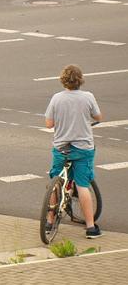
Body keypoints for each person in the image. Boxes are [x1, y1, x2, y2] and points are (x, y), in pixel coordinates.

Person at [44, 65, 103, 238]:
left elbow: (49, 124)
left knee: (57, 181)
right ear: (80, 80)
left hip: (61, 148)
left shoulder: (56, 98)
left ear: (63, 80)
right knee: (82, 185)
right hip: (83, 148)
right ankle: (91, 228)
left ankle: (49, 221)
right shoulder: (88, 97)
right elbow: (98, 117)